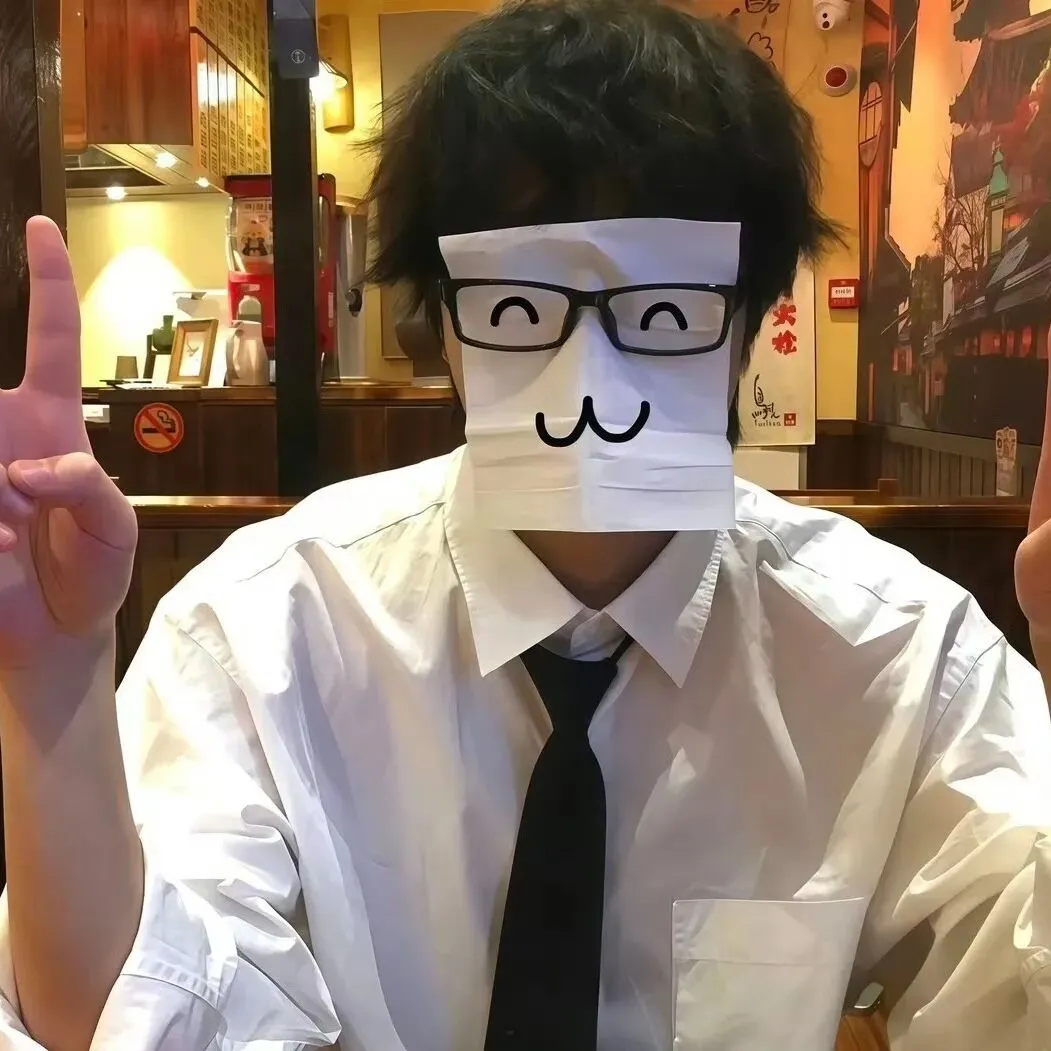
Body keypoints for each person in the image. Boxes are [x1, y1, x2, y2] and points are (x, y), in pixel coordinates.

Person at [1, 2, 1051, 1050]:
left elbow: (1018, 993)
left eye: (663, 309)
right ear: (447, 326)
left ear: (744, 323)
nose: (589, 379)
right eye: (518, 307)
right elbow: (143, 1014)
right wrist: (50, 693)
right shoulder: (264, 627)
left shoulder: (898, 653)